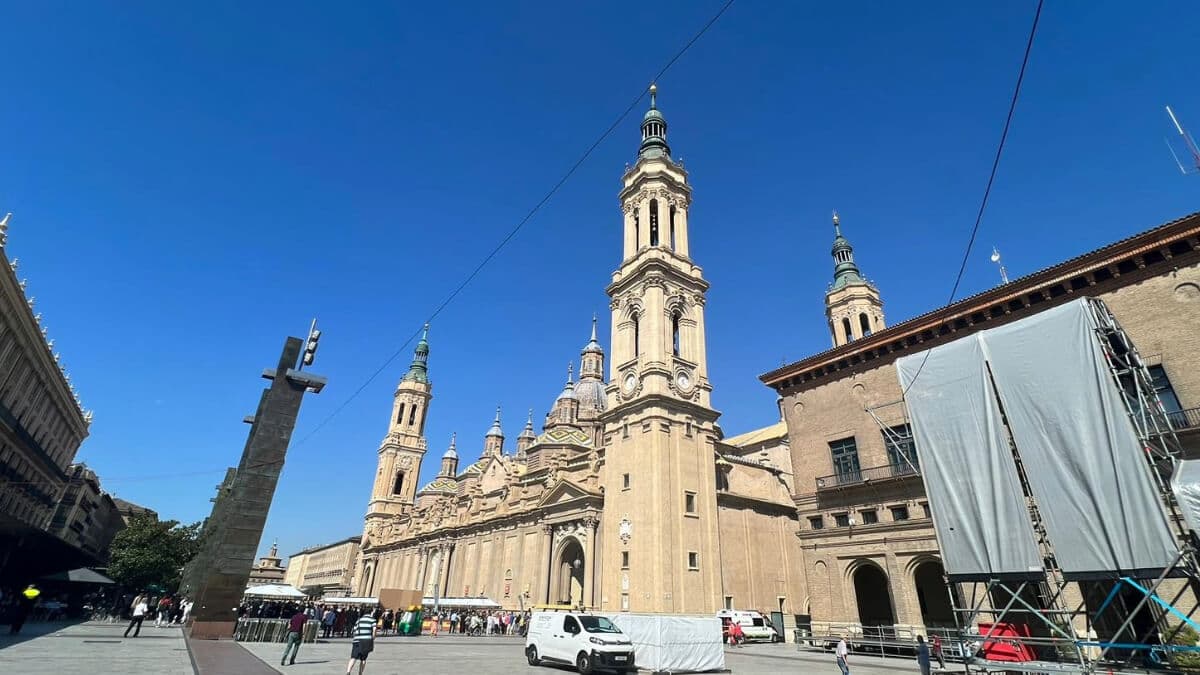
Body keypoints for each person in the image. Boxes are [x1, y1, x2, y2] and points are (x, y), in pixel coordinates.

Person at [347, 609, 377, 675]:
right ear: (371, 612)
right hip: (366, 641)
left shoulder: (358, 620)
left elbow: (354, 631)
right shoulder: (373, 620)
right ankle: (360, 673)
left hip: (356, 641)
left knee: (353, 657)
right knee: (363, 659)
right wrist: (373, 638)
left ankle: (348, 672)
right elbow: (374, 630)